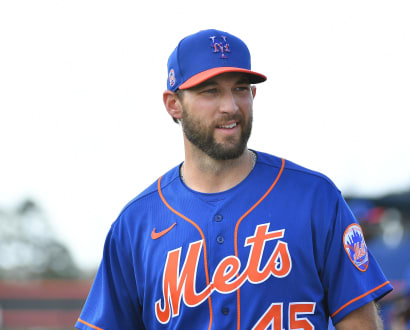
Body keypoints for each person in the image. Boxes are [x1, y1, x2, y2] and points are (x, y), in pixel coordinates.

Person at [75, 29, 393, 330]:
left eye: (240, 88)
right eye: (210, 91)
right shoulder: (136, 225)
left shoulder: (314, 198)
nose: (230, 106)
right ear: (174, 104)